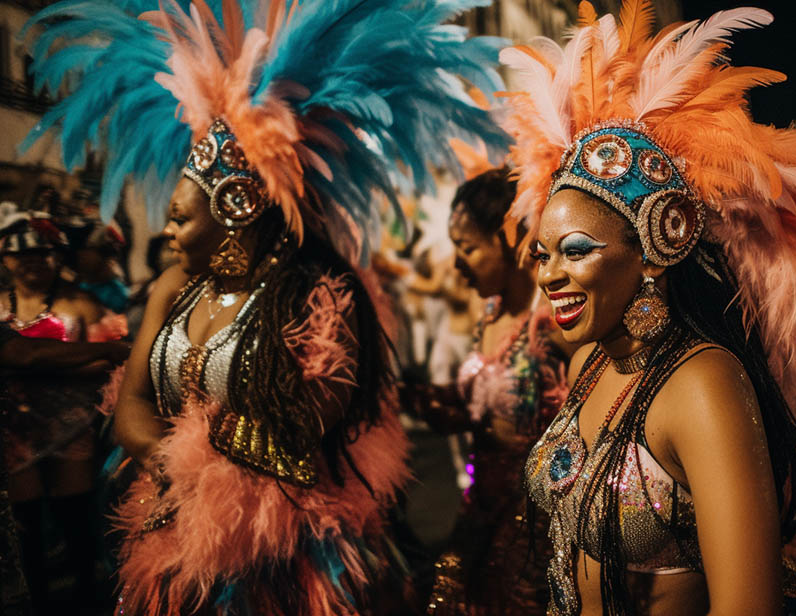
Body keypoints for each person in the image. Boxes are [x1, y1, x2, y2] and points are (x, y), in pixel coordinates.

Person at [21, 0, 509, 613]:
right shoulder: (175, 289)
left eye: (178, 217)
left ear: (235, 204)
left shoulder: (316, 294)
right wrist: (171, 467)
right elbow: (133, 406)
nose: (169, 232)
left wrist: (216, 462)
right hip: (173, 535)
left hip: (286, 553)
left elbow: (309, 427)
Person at [501, 2, 796, 614]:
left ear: (655, 250)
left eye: (576, 250)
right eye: (543, 252)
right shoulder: (593, 362)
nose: (550, 273)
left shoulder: (703, 382)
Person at [417, 168, 568, 615]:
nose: (456, 262)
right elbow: (491, 404)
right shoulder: (490, 311)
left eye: (467, 248)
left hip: (531, 529)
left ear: (506, 241)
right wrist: (451, 408)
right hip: (478, 505)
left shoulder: (554, 326)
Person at [0, 210, 124, 614]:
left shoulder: (83, 304)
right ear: (5, 258)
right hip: (14, 430)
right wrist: (53, 362)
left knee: (76, 522)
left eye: (41, 253)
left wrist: (29, 364)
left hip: (73, 427)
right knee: (26, 528)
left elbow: (116, 362)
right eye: (22, 255)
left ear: (57, 255)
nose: (32, 262)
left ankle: (87, 601)